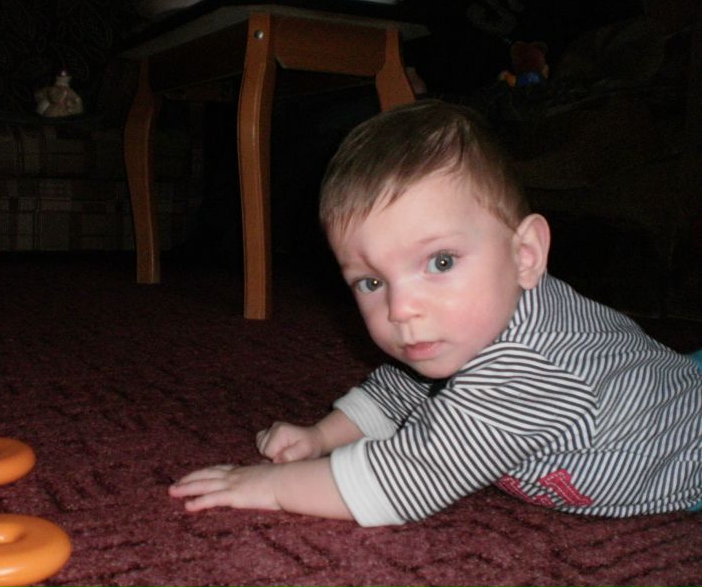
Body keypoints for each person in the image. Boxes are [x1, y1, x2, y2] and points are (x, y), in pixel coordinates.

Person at [169, 99, 701, 525]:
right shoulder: (467, 324)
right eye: (372, 282)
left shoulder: (529, 372)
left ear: (525, 255)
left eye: (440, 262)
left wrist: (271, 487)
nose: (402, 308)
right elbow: (405, 387)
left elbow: (408, 475)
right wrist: (322, 436)